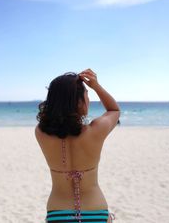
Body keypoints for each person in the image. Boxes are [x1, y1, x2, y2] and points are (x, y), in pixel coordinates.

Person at [35, 68, 120, 223]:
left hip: (58, 213)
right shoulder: (96, 130)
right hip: (96, 212)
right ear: (79, 101)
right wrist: (97, 86)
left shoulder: (41, 132)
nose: (89, 99)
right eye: (87, 94)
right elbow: (114, 110)